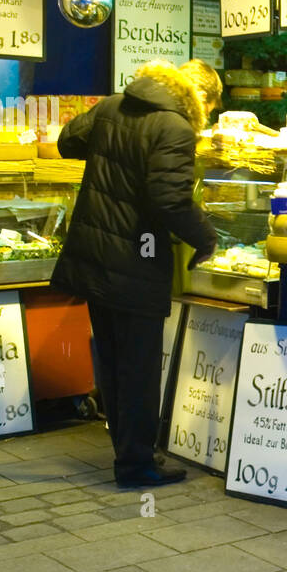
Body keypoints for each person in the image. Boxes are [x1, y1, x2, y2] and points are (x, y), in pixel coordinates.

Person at [51, 59, 223, 488]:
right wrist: (205, 238)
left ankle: (125, 452)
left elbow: (67, 142)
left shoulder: (112, 106)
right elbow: (169, 201)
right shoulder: (176, 128)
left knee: (112, 358)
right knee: (140, 366)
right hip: (136, 257)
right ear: (198, 99)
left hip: (94, 253)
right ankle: (136, 464)